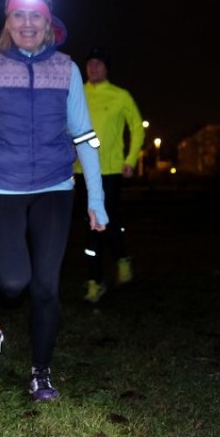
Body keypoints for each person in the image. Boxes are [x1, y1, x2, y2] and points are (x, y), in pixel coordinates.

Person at [0, 0, 108, 402]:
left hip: (55, 188)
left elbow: (86, 136)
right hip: (0, 188)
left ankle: (41, 371)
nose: (28, 23)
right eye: (19, 15)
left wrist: (95, 197)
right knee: (11, 283)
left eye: (36, 17)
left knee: (46, 287)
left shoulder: (67, 69)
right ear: (8, 20)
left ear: (49, 25)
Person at [74, 46, 145, 303]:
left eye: (98, 64)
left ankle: (97, 279)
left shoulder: (120, 95)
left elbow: (137, 128)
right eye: (89, 64)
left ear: (107, 68)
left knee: (103, 221)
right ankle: (108, 269)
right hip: (81, 170)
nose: (93, 68)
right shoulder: (75, 93)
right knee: (93, 224)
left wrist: (131, 159)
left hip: (111, 171)